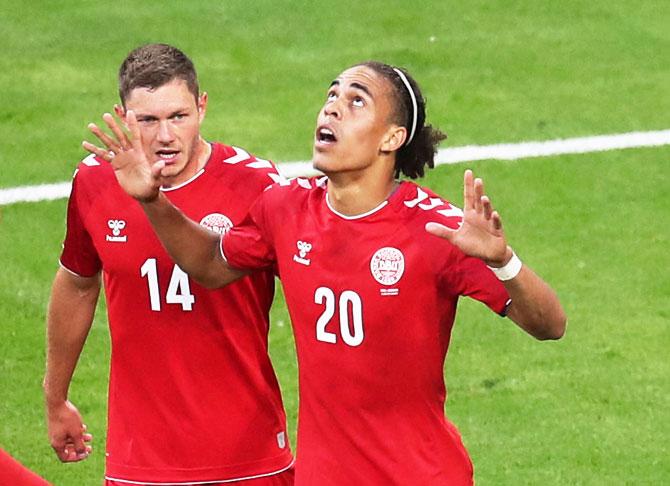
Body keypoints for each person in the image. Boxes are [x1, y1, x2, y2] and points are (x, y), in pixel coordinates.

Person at [88, 60, 567, 485]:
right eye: (331, 95)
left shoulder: (437, 231)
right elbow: (211, 265)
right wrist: (152, 199)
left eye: (355, 101)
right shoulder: (285, 208)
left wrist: (503, 262)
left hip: (420, 474)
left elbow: (550, 325)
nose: (332, 109)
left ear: (392, 138)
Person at [43, 43, 295, 485]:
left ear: (202, 106)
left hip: (249, 452)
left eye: (178, 116)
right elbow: (78, 282)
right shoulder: (95, 181)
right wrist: (55, 396)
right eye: (148, 120)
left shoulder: (257, 184)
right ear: (123, 117)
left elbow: (308, 284)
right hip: (139, 457)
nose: (165, 136)